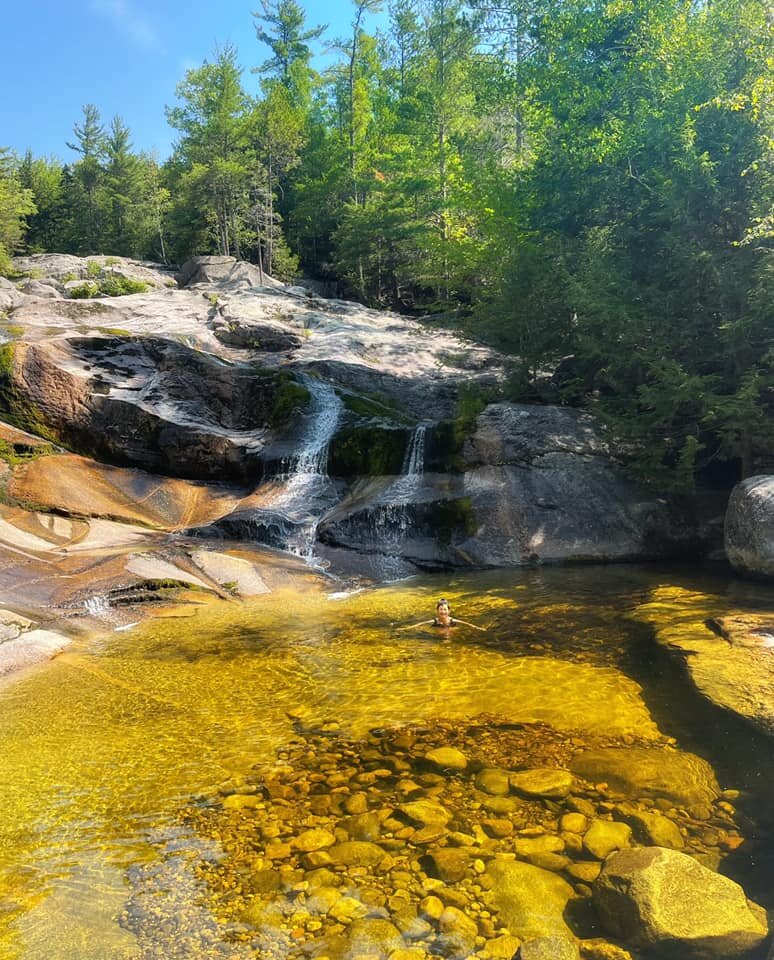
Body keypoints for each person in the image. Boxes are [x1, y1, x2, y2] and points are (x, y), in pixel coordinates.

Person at [394, 598, 486, 632]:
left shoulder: (452, 620)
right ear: (437, 611)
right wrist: (405, 629)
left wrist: (478, 628)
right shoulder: (435, 621)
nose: (443, 612)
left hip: (450, 628)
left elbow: (467, 624)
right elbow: (420, 624)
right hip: (439, 631)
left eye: (445, 609)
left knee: (451, 631)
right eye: (441, 609)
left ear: (449, 611)